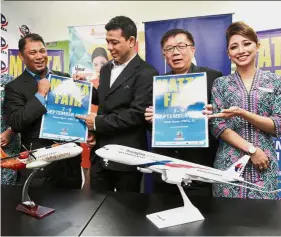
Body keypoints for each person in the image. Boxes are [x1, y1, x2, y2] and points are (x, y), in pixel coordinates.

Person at [76, 16, 158, 193]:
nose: (109, 48)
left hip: (126, 157)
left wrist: (97, 122)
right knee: (97, 210)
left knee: (126, 212)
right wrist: (86, 88)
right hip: (100, 153)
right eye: (107, 42)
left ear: (131, 41)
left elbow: (137, 114)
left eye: (114, 42)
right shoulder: (106, 69)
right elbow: (106, 101)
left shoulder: (146, 73)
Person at [207, 21, 281, 200]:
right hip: (228, 165)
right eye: (234, 47)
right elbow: (217, 125)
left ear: (257, 46)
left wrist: (243, 113)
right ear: (228, 54)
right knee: (227, 223)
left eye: (246, 43)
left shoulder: (274, 82)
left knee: (264, 223)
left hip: (264, 165)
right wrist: (252, 150)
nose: (241, 50)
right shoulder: (221, 84)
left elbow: (278, 124)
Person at [144, 29, 222, 197]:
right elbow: (153, 130)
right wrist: (152, 121)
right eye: (169, 48)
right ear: (164, 54)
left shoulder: (212, 78)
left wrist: (214, 114)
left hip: (199, 168)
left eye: (181, 46)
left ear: (192, 49)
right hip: (166, 170)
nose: (176, 52)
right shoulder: (157, 84)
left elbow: (224, 120)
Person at [3, 33, 82, 189]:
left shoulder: (64, 78)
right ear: (21, 56)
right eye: (33, 53)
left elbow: (76, 112)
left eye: (42, 51)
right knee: (38, 208)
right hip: (40, 166)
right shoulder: (14, 87)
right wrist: (40, 95)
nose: (39, 56)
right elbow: (16, 122)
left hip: (69, 164)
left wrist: (83, 86)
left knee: (72, 210)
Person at [0, 74, 21, 185]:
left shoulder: (8, 80)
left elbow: (22, 112)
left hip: (6, 147)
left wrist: (10, 131)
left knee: (5, 193)